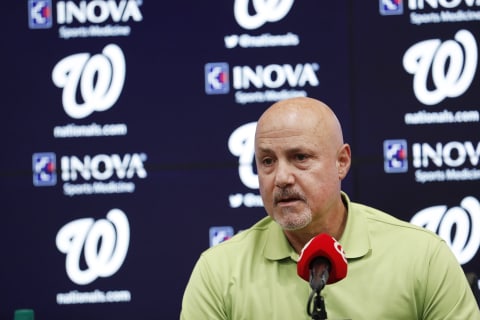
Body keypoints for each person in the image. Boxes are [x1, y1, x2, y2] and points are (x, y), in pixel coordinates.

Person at [180, 97, 480, 319]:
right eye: (267, 161)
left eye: (300, 157)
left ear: (342, 162)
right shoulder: (218, 271)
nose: (282, 178)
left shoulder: (423, 256)